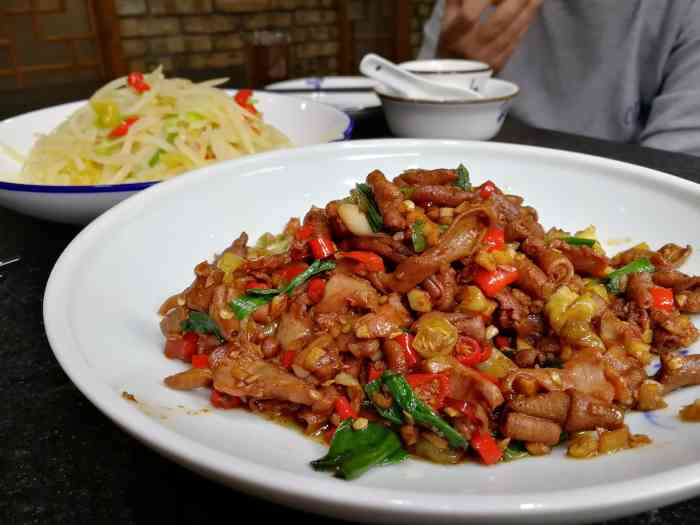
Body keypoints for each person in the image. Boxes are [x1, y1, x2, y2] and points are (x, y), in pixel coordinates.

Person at [419, 0, 700, 156]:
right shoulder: (468, 9)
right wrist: (454, 78)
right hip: (485, 186)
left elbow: (673, 167)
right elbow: (417, 144)